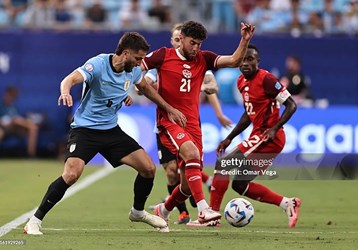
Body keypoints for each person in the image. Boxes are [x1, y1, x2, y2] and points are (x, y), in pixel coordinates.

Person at [23, 32, 187, 235]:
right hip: (85, 130)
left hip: (110, 130)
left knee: (148, 168)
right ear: (125, 53)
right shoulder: (98, 64)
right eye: (137, 59)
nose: (139, 64)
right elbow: (70, 79)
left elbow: (145, 88)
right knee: (71, 175)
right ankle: (34, 220)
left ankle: (137, 212)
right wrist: (65, 91)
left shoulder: (132, 70)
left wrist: (169, 108)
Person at [141, 20, 255, 231]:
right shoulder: (163, 55)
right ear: (181, 39)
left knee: (186, 185)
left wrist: (244, 40)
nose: (195, 48)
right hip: (170, 122)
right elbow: (137, 68)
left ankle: (163, 211)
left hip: (193, 125)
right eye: (192, 43)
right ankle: (204, 210)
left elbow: (233, 61)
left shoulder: (203, 58)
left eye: (199, 44)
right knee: (191, 154)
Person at [208, 44, 301, 228]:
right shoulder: (241, 82)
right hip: (260, 136)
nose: (245, 63)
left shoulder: (266, 79)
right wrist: (230, 137)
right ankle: (288, 203)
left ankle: (211, 217)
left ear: (258, 61)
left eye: (250, 59)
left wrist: (274, 128)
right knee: (239, 185)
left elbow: (291, 105)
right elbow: (248, 114)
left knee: (223, 164)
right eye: (243, 59)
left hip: (268, 137)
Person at [0, 85, 39, 157]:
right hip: (3, 127)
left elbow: (17, 117)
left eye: (13, 96)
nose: (12, 98)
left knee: (32, 129)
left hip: (15, 127)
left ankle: (31, 155)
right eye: (11, 95)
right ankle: (30, 124)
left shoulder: (14, 106)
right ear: (6, 94)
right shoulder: (1, 105)